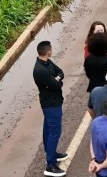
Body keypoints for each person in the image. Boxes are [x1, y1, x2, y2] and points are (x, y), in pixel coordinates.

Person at [33, 41, 68, 177]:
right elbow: (57, 84)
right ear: (48, 51)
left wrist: (57, 78)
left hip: (53, 102)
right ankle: (50, 165)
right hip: (50, 104)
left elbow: (60, 73)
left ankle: (52, 153)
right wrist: (57, 80)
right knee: (54, 131)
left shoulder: (48, 63)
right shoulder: (40, 70)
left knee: (48, 129)